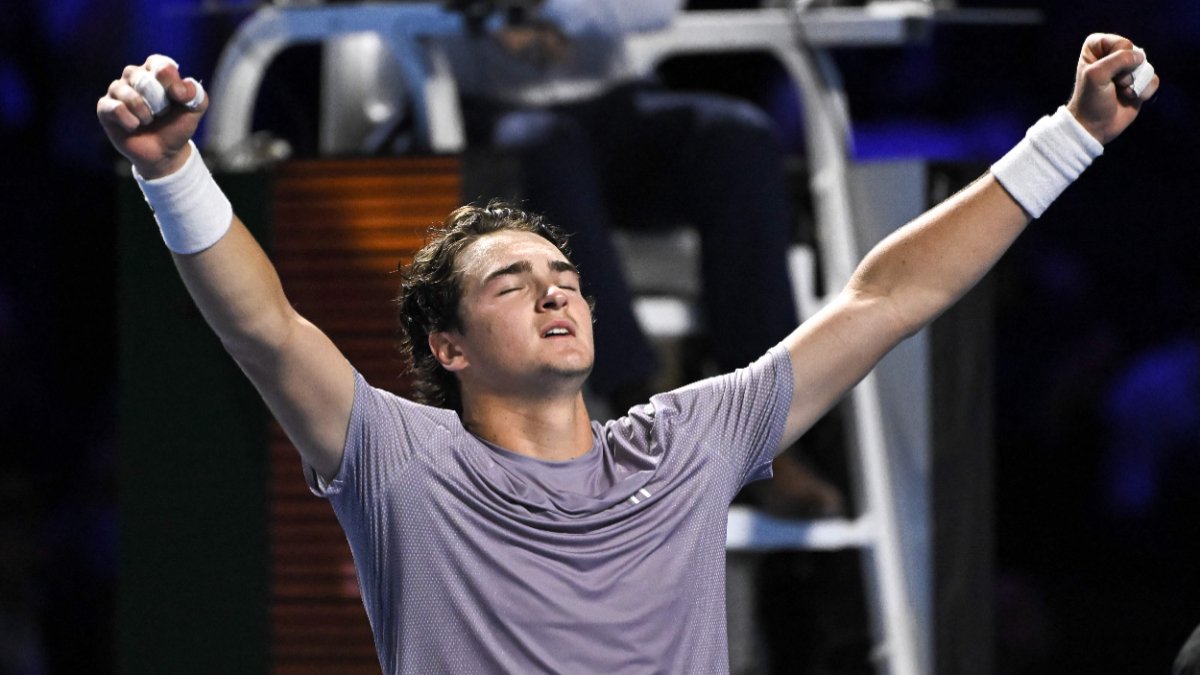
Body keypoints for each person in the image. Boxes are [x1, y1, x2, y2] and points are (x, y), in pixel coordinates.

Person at [97, 33, 1157, 673]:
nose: (556, 289)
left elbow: (887, 296)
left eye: (564, 277)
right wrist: (173, 171)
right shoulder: (402, 463)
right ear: (449, 347)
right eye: (512, 283)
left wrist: (1069, 135)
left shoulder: (685, 441)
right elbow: (266, 328)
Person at [445, 0, 800, 409]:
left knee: (739, 139)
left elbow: (658, 7)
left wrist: (545, 10)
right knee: (548, 147)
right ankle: (637, 411)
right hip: (484, 115)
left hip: (613, 108)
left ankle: (766, 414)